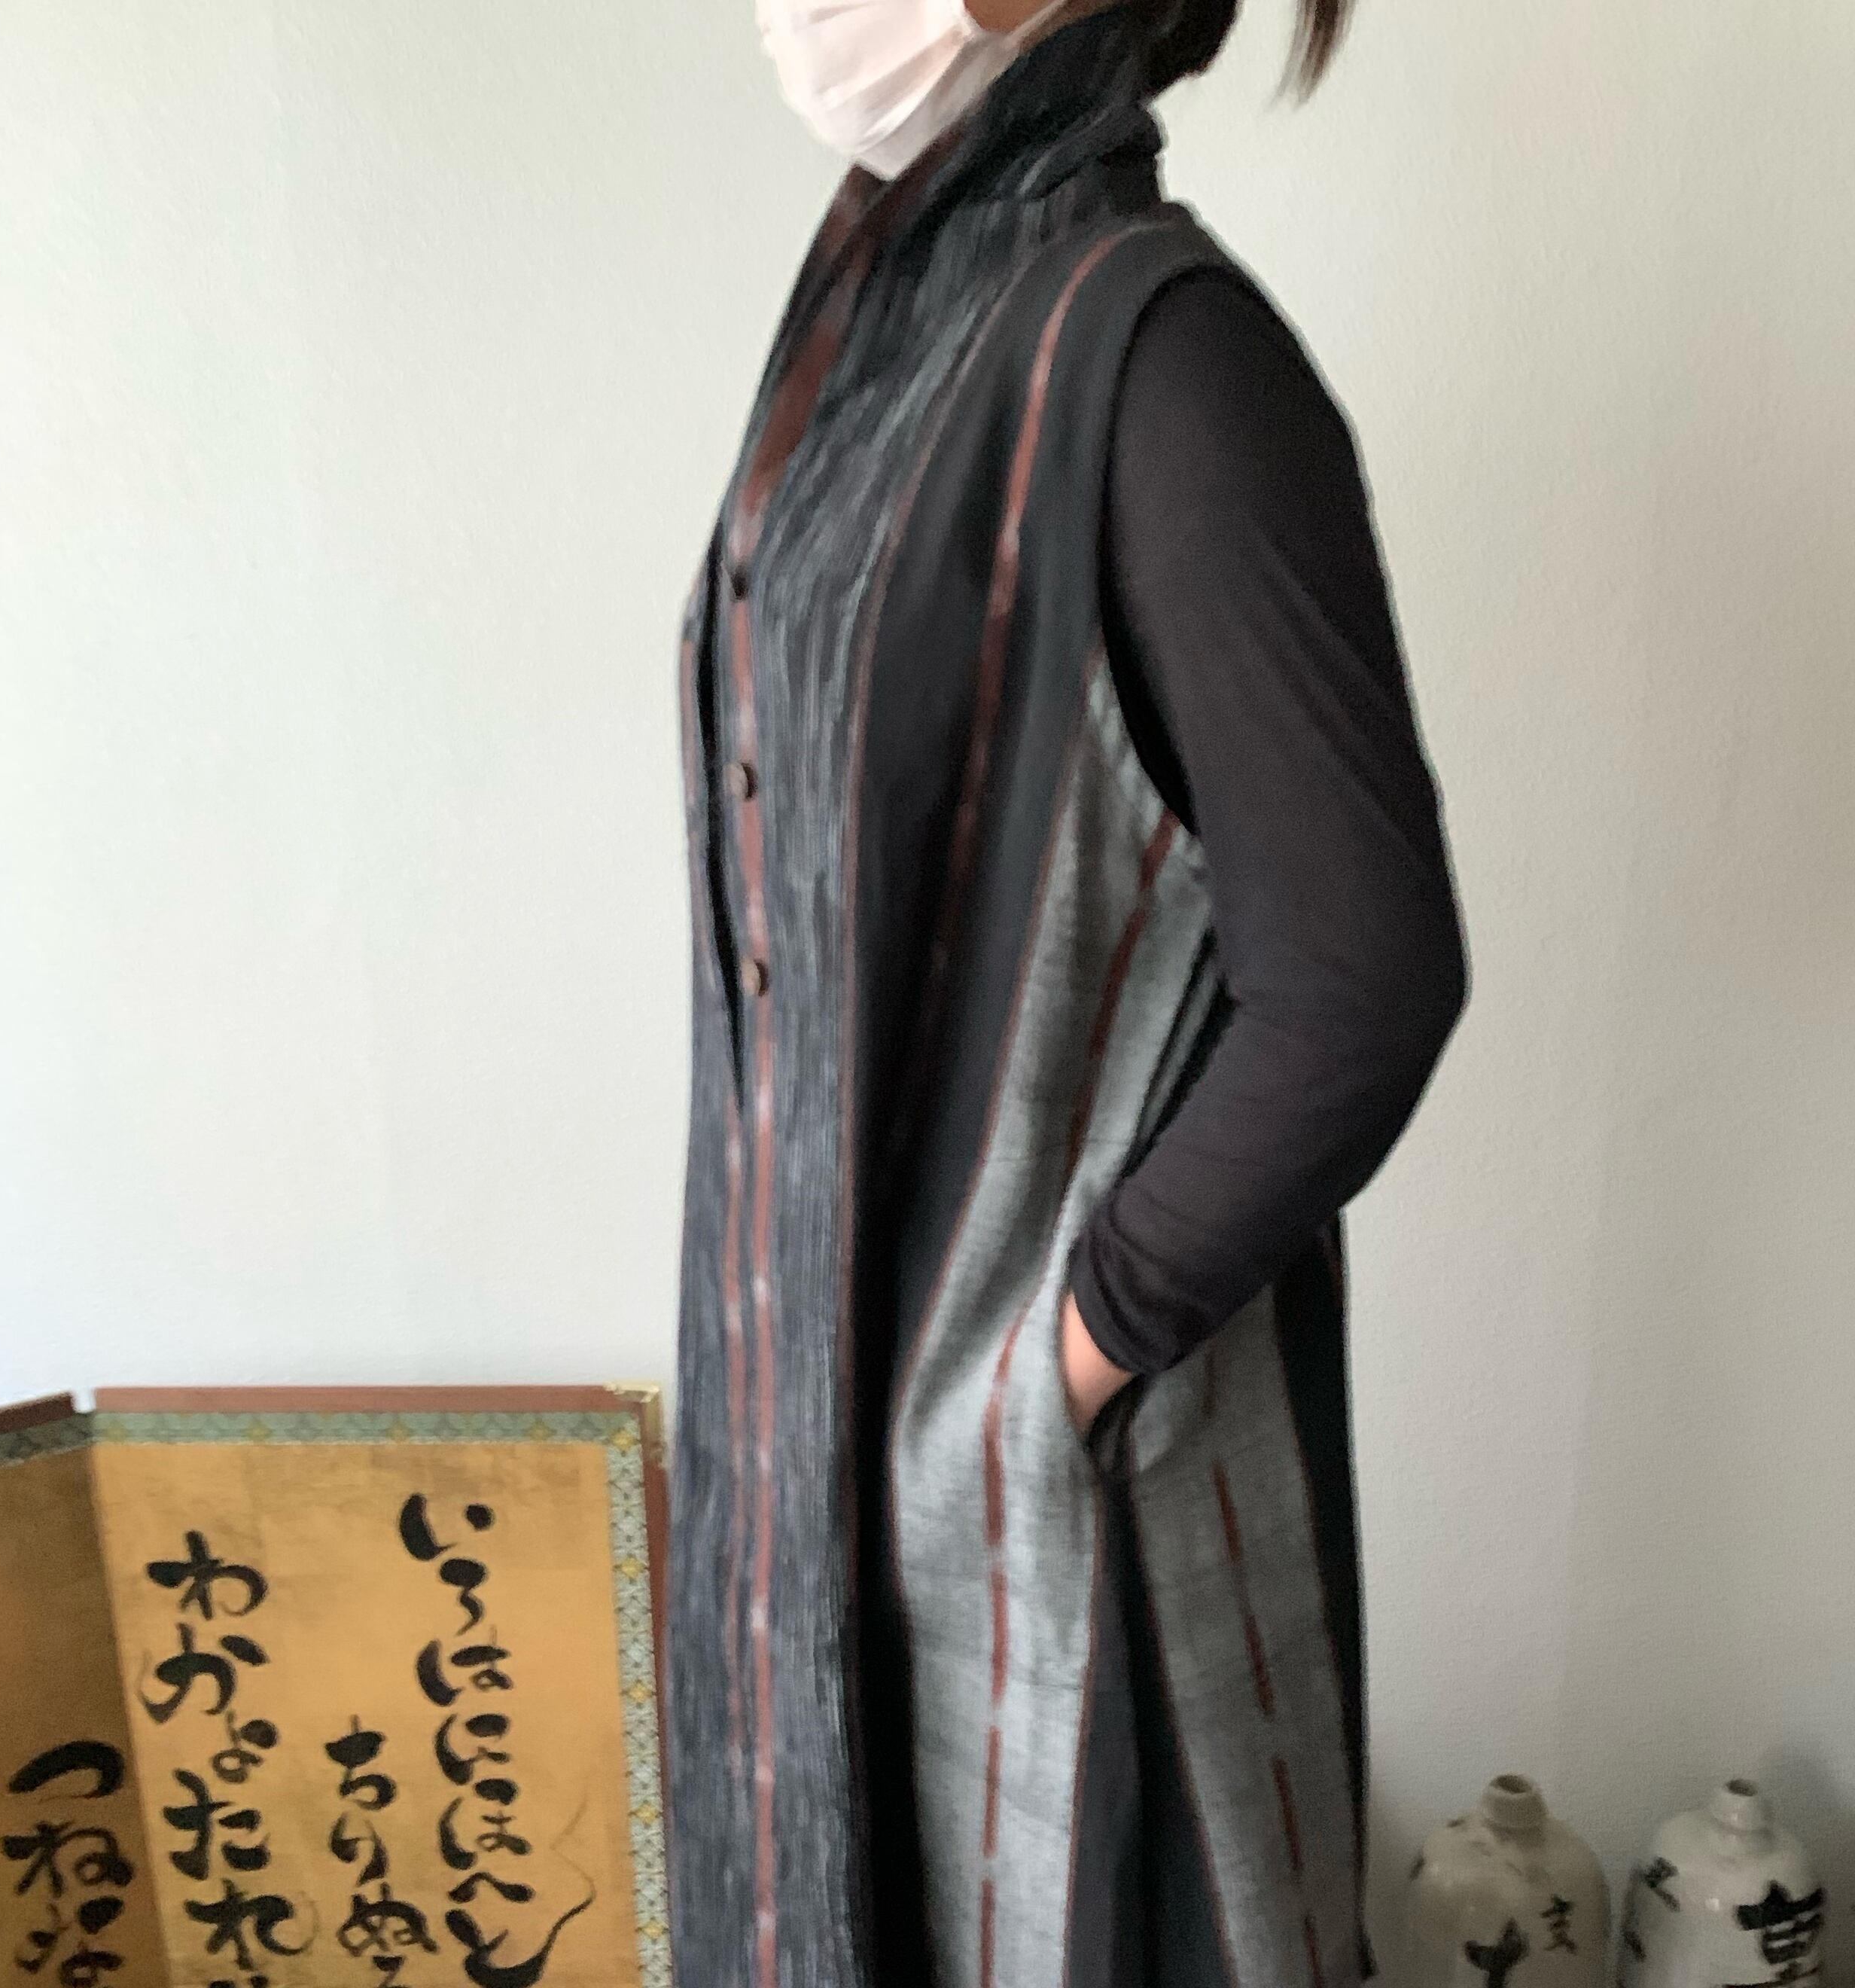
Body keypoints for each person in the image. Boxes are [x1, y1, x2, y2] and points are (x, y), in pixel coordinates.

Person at [665, 0, 1468, 1983]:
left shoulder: (1165, 360)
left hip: (1043, 1505)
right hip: (815, 1449)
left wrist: (1055, 1371)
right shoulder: (889, 313)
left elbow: (1362, 983)